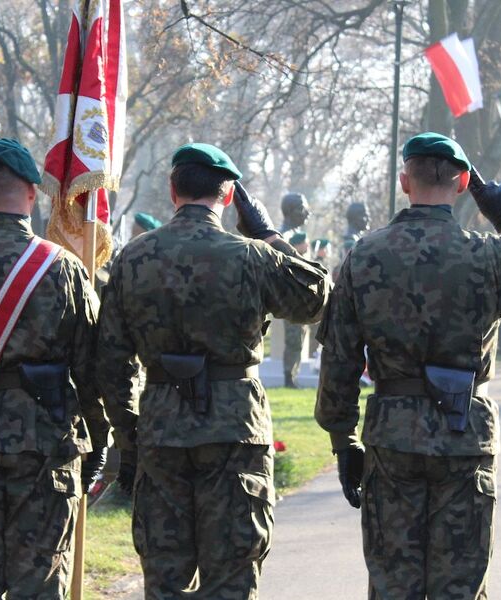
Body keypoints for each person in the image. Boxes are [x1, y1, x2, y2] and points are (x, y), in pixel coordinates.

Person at [315, 132, 501, 599]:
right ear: (462, 184)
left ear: (405, 181)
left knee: (392, 585)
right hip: (464, 436)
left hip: (393, 438)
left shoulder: (365, 255)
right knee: (460, 587)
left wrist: (344, 441)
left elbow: (339, 359)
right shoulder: (489, 254)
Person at [96, 142, 331, 599]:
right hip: (234, 429)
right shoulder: (250, 256)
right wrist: (266, 233)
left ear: (172, 189)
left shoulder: (133, 259)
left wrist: (130, 436)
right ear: (228, 197)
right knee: (231, 576)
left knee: (165, 577)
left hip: (161, 428)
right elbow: (317, 296)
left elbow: (110, 361)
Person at [0, 138, 109, 599]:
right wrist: (101, 439)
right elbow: (91, 367)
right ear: (34, 193)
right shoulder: (63, 268)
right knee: (41, 576)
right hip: (46, 437)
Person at [283, 230, 311, 388]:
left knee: (298, 343)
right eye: (304, 242)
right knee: (293, 343)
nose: (307, 245)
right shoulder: (291, 262)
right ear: (296, 245)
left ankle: (293, 375)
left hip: (302, 310)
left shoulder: (302, 260)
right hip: (293, 310)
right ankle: (289, 376)